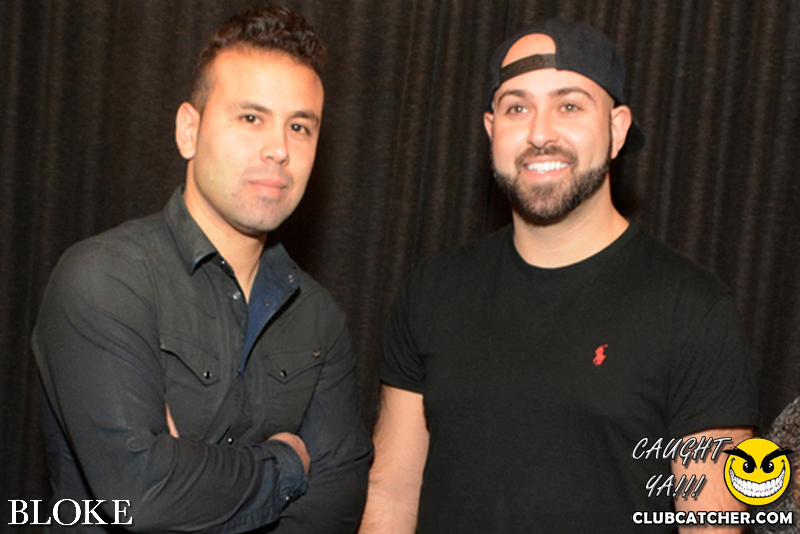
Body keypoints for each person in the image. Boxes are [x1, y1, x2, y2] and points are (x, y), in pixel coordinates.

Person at [359, 19, 758, 533]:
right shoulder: (432, 291)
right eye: (517, 108)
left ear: (616, 130)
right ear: (491, 130)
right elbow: (392, 493)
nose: (540, 133)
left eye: (569, 106)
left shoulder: (694, 311)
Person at [33, 6, 371, 533]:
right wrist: (287, 463)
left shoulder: (319, 320)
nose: (279, 149)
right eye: (251, 118)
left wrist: (186, 470)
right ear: (189, 131)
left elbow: (336, 505)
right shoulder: (105, 278)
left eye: (299, 126)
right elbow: (138, 495)